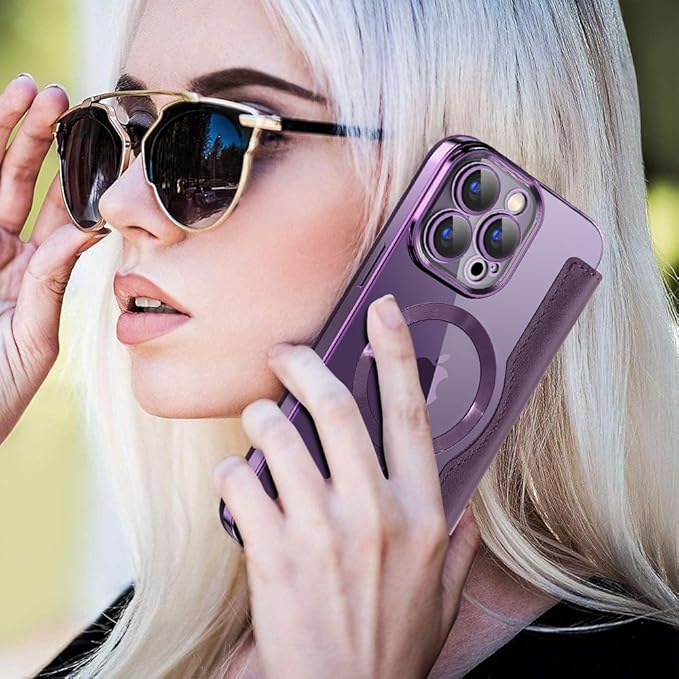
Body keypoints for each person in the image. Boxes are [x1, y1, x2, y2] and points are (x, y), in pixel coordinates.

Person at [1, 0, 677, 677]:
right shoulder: (140, 639)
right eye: (126, 131)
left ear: (439, 184)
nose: (119, 204)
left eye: (214, 139)